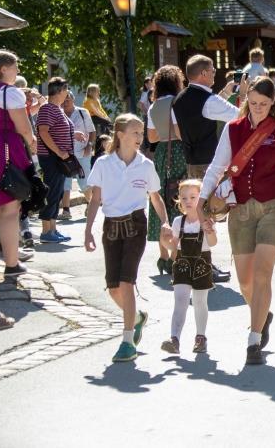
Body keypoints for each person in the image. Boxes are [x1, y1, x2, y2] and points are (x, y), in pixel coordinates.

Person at [196, 77, 275, 365]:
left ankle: (253, 340)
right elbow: (217, 167)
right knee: (245, 282)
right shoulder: (232, 129)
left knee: (262, 274)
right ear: (246, 100)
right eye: (253, 103)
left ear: (273, 102)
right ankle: (263, 315)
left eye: (263, 104)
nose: (258, 108)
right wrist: (201, 200)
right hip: (241, 209)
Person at [84, 114, 169, 362]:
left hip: (136, 225)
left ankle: (127, 341)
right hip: (111, 227)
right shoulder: (103, 164)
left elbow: (156, 198)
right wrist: (88, 230)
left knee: (126, 282)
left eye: (141, 133)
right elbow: (95, 199)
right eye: (135, 132)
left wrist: (165, 222)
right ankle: (137, 317)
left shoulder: (146, 165)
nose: (140, 137)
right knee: (113, 288)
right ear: (120, 135)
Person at [0, 50, 37, 279]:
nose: (18, 71)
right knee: (9, 208)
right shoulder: (8, 92)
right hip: (3, 150)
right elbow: (23, 127)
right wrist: (32, 142)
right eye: (15, 67)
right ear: (3, 68)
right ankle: (12, 264)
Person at [160, 179, 215, 355]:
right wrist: (164, 240)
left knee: (199, 301)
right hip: (182, 264)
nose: (188, 201)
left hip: (201, 264)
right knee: (180, 300)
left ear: (201, 199)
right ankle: (174, 339)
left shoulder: (206, 220)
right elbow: (173, 248)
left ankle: (201, 337)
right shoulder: (178, 222)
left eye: (193, 197)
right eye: (184, 198)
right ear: (179, 201)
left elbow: (212, 243)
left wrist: (209, 230)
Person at [172, 54, 245, 180]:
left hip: (191, 163)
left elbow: (179, 132)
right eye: (213, 70)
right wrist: (244, 94)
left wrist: (225, 93)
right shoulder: (209, 100)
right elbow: (241, 116)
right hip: (211, 164)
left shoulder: (178, 99)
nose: (214, 74)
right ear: (204, 73)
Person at [146, 65, 188, 274]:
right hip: (178, 151)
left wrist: (164, 131)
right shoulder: (177, 102)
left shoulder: (153, 106)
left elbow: (152, 137)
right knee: (177, 197)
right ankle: (173, 257)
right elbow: (180, 132)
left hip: (162, 152)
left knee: (161, 195)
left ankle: (162, 256)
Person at [37, 77, 85, 243]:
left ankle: (52, 229)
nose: (67, 93)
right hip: (52, 158)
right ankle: (46, 231)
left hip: (59, 158)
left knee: (57, 193)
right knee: (52, 192)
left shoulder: (57, 109)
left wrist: (73, 134)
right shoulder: (47, 108)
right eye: (66, 89)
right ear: (59, 91)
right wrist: (58, 151)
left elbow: (56, 130)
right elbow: (43, 131)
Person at [60, 91, 95, 219]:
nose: (65, 102)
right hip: (64, 153)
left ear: (73, 100)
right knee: (65, 182)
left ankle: (91, 204)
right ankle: (66, 211)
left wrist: (89, 146)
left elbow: (92, 131)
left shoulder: (82, 112)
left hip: (82, 152)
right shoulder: (59, 113)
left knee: (84, 182)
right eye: (63, 100)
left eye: (68, 99)